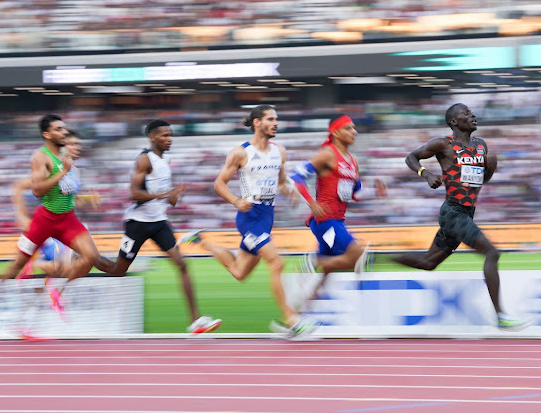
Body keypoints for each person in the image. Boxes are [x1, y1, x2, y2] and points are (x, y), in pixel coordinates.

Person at [393, 103, 531, 331]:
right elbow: (411, 157)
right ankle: (501, 316)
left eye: (471, 112)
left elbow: (479, 182)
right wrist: (425, 174)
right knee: (492, 253)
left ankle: (375, 258)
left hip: (466, 213)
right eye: (466, 113)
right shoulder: (444, 144)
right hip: (453, 212)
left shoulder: (481, 145)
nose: (473, 115)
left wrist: (490, 170)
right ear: (454, 122)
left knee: (428, 263)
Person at [179, 105, 312, 336]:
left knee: (239, 272)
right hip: (249, 217)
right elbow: (219, 184)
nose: (276, 123)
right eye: (271, 119)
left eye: (276, 119)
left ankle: (202, 241)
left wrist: (289, 190)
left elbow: (280, 181)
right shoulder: (240, 153)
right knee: (277, 262)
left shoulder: (279, 151)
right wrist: (236, 201)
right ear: (257, 123)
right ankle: (291, 319)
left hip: (267, 217)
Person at [93, 119, 221, 334]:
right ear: (152, 137)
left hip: (159, 222)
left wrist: (173, 196)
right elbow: (133, 193)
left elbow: (167, 200)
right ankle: (86, 257)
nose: (169, 139)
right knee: (118, 271)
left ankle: (196, 320)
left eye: (170, 135)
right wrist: (163, 194)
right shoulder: (145, 159)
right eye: (164, 135)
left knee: (182, 264)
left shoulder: (166, 160)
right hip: (137, 224)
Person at [289, 114, 386, 300]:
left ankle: (302, 313)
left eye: (354, 128)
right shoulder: (327, 154)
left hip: (337, 221)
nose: (354, 132)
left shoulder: (353, 161)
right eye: (348, 128)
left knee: (326, 276)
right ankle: (312, 262)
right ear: (335, 132)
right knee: (358, 256)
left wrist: (374, 190)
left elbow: (355, 195)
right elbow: (297, 176)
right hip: (325, 221)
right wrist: (312, 203)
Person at [0, 114, 100, 284]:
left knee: (84, 261)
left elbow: (67, 196)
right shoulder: (45, 159)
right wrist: (21, 215)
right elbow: (30, 189)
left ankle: (52, 293)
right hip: (46, 221)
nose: (77, 147)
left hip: (67, 221)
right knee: (26, 266)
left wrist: (87, 200)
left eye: (78, 144)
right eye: (72, 144)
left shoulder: (71, 167)